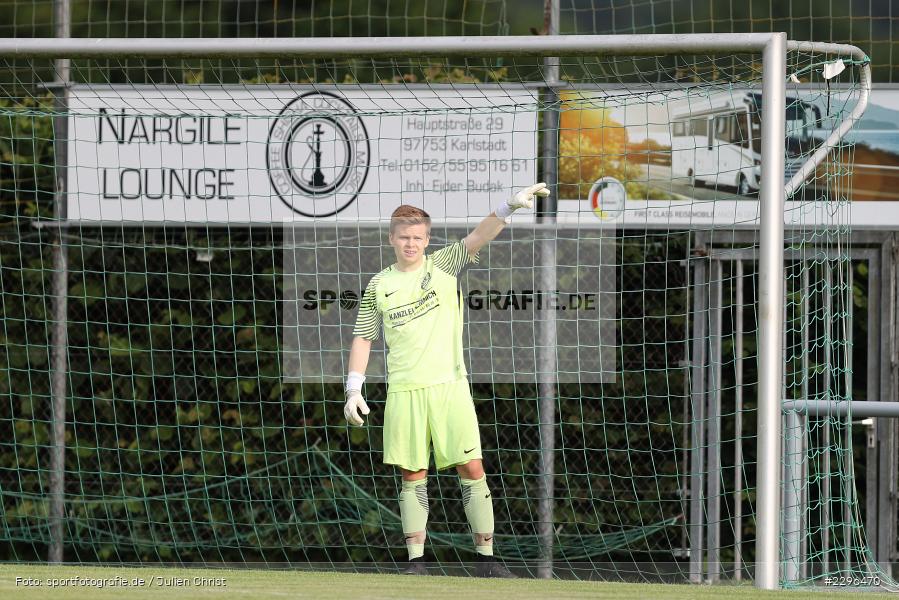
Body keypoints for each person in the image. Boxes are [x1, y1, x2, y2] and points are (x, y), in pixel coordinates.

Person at [344, 183, 549, 578]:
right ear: (391, 238)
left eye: (417, 237)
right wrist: (353, 389)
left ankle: (486, 560)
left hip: (450, 387)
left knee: (472, 468)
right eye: (404, 237)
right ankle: (416, 563)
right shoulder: (379, 285)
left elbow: (478, 236)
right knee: (412, 475)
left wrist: (508, 207)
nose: (411, 244)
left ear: (427, 239)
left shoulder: (442, 265)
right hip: (404, 391)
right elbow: (364, 338)